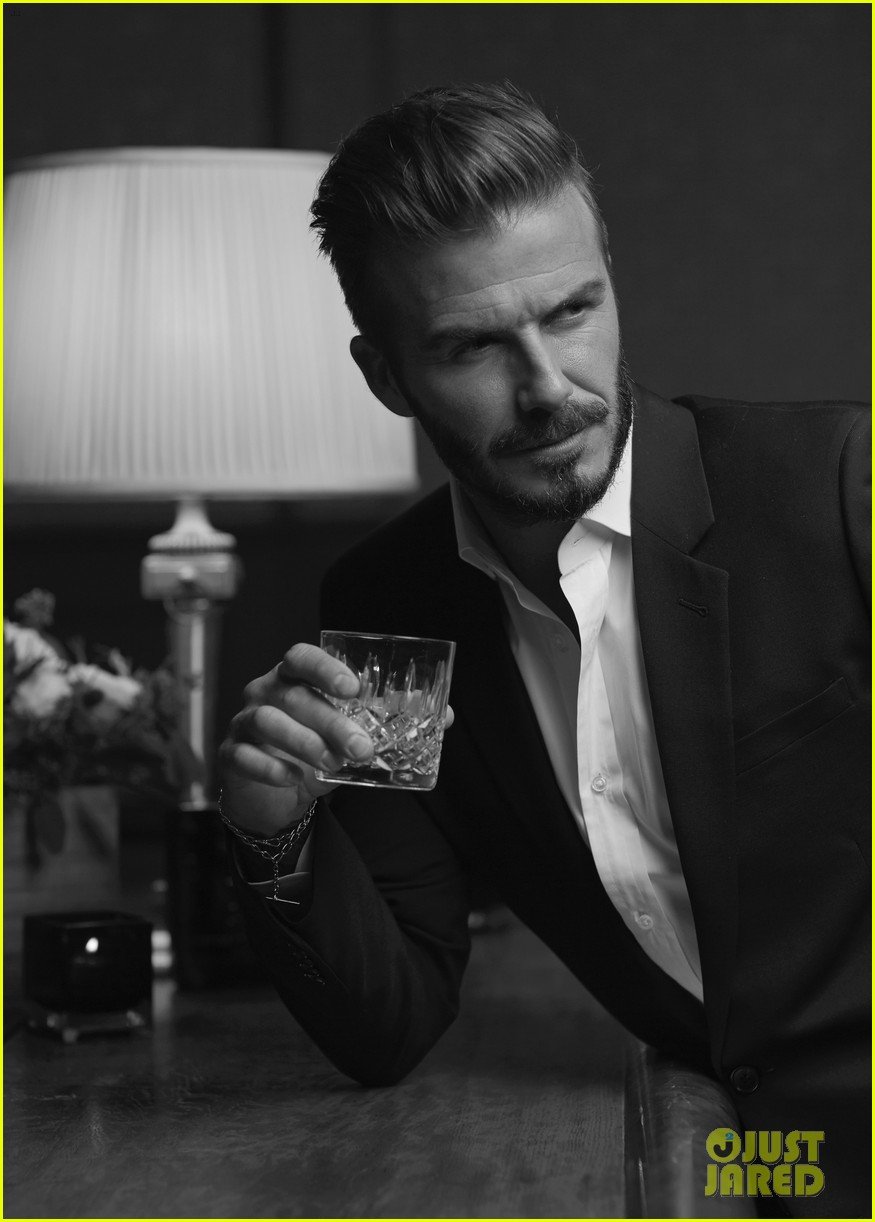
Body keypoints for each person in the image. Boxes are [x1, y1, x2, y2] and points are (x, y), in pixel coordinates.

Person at [218, 83, 870, 1217]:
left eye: (571, 311)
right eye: (472, 345)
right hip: (732, 1165)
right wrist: (272, 827)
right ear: (385, 376)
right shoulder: (388, 604)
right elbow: (387, 1025)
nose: (546, 387)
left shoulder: (839, 486)